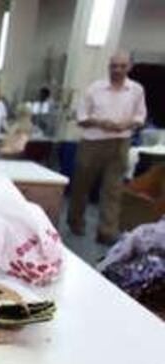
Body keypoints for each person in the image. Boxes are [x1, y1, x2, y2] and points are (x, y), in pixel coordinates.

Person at [67, 52, 147, 244]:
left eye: (122, 66)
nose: (117, 70)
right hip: (92, 142)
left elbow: (140, 117)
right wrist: (101, 123)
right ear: (109, 66)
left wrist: (127, 124)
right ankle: (75, 221)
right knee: (81, 186)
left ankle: (106, 231)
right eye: (113, 66)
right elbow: (81, 117)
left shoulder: (136, 90)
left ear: (129, 67)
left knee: (113, 189)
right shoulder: (95, 89)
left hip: (120, 143)